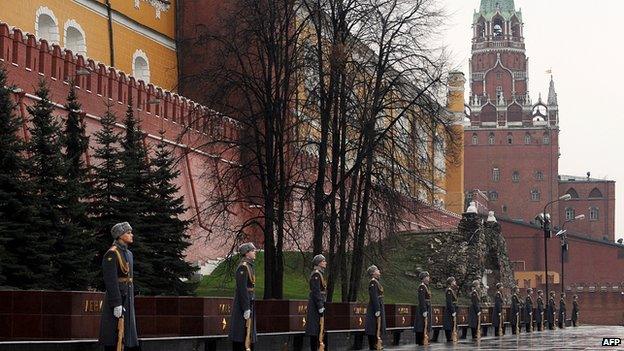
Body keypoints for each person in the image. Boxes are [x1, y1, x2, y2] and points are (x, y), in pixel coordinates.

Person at [99, 222, 139, 351]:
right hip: (118, 299)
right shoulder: (112, 253)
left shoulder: (129, 254)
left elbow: (129, 279)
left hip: (127, 298)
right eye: (128, 233)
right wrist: (116, 303)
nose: (131, 235)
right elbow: (110, 280)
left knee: (127, 337)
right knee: (114, 336)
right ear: (120, 236)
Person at [229, 243, 257, 351]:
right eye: (253, 250)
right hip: (243, 306)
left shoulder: (249, 266)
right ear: (247, 253)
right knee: (241, 334)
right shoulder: (243, 267)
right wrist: (246, 308)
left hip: (249, 303)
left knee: (247, 333)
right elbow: (242, 289)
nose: (255, 252)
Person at [305, 254, 328, 351]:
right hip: (315, 305)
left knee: (320, 328)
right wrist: (320, 305)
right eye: (323, 261)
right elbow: (316, 291)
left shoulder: (319, 274)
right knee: (315, 329)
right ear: (319, 263)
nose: (325, 263)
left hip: (319, 303)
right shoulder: (316, 274)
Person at [364, 265, 386, 350]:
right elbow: (374, 296)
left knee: (377, 325)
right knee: (373, 326)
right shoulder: (373, 282)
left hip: (378, 305)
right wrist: (377, 309)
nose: (379, 271)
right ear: (373, 273)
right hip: (374, 307)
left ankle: (376, 343)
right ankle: (373, 345)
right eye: (377, 270)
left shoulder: (376, 282)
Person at [414, 271, 432, 345]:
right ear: (424, 278)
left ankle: (424, 338)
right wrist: (424, 310)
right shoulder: (422, 286)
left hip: (427, 306)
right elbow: (421, 299)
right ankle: (420, 340)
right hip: (422, 308)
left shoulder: (426, 286)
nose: (428, 278)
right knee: (421, 324)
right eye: (427, 277)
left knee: (425, 324)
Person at [443, 277, 458, 342]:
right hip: (450, 310)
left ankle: (451, 336)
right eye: (454, 281)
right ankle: (449, 337)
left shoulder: (452, 290)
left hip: (452, 308)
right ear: (451, 282)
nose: (455, 283)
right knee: (448, 323)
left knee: (452, 323)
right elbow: (449, 302)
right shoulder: (449, 290)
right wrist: (453, 310)